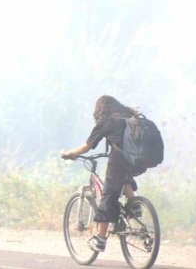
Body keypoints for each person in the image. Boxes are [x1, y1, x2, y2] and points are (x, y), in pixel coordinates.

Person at [61, 95, 144, 252]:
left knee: (108, 195)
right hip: (140, 159)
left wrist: (70, 153)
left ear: (100, 109)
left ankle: (100, 239)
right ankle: (134, 205)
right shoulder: (129, 116)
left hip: (121, 157)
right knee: (123, 177)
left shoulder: (106, 121)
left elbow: (87, 146)